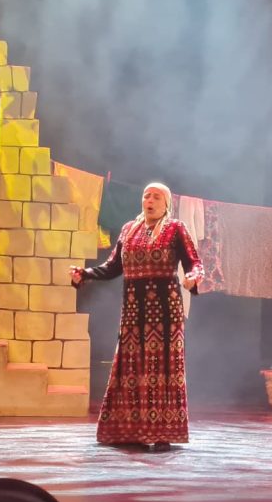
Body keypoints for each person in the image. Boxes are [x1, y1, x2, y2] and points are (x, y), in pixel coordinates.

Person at [70, 182, 203, 451]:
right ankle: (130, 431)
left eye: (156, 197)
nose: (149, 200)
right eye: (146, 196)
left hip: (165, 314)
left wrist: (192, 277)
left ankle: (163, 433)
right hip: (133, 312)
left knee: (162, 369)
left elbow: (194, 263)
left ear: (166, 204)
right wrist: (85, 274)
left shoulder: (175, 228)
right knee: (131, 368)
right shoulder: (129, 229)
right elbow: (112, 267)